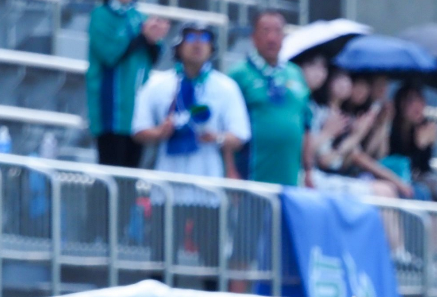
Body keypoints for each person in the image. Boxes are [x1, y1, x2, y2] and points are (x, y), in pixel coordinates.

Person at [133, 26, 250, 180]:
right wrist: (160, 132)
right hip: (165, 183)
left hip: (209, 185)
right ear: (178, 46)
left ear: (211, 47)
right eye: (190, 38)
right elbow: (138, 130)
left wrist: (216, 137)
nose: (197, 44)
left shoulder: (226, 87)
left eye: (204, 38)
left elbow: (241, 135)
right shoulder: (157, 84)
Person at [228, 10, 313, 187]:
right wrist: (230, 170)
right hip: (251, 178)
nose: (272, 38)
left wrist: (309, 170)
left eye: (277, 31)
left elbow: (306, 125)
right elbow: (227, 126)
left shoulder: (295, 73)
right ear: (253, 36)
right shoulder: (239, 74)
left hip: (289, 178)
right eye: (265, 31)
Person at [88, 0, 170, 168]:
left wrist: (153, 37)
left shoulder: (138, 16)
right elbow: (109, 55)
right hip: (110, 111)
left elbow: (153, 57)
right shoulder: (101, 15)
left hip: (136, 108)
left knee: (131, 175)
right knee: (111, 170)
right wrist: (142, 36)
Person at [386, 84, 437, 200]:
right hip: (393, 178)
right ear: (401, 104)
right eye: (412, 101)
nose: (418, 107)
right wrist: (419, 146)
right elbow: (399, 161)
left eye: (421, 101)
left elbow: (424, 168)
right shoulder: (391, 128)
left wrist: (425, 146)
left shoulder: (425, 128)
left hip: (415, 182)